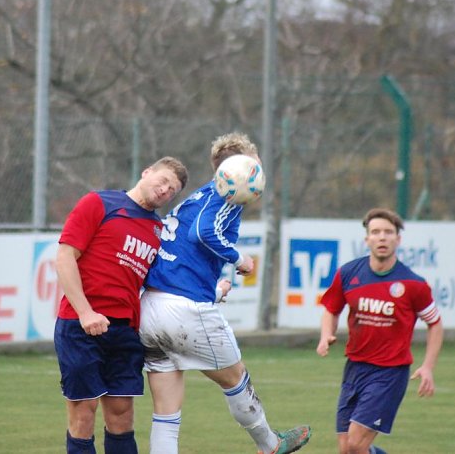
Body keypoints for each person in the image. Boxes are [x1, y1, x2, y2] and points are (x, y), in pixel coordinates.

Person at [140, 132, 311, 454]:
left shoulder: (198, 197)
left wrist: (212, 288)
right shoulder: (226, 195)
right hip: (183, 308)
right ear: (241, 170)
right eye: (256, 167)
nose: (259, 176)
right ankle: (270, 444)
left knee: (166, 411)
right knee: (236, 379)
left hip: (151, 307)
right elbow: (203, 232)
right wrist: (239, 258)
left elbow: (184, 252)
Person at [54, 156, 189, 454]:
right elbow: (65, 258)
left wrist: (214, 289)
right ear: (147, 172)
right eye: (164, 180)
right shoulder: (100, 204)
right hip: (80, 326)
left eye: (173, 190)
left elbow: (163, 280)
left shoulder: (159, 231)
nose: (166, 190)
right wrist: (86, 312)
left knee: (121, 415)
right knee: (83, 412)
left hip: (125, 330)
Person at [316, 208, 443, 454]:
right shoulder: (349, 273)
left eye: (388, 232)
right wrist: (326, 334)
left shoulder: (413, 284)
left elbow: (435, 323)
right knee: (347, 449)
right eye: (375, 232)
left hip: (389, 374)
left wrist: (428, 366)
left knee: (355, 444)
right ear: (367, 240)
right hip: (354, 368)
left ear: (398, 239)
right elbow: (331, 308)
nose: (382, 237)